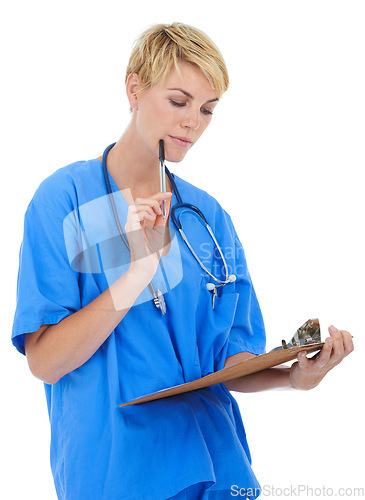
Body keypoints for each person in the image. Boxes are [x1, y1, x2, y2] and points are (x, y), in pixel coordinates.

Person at [12, 22, 353, 500]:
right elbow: (45, 362)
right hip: (117, 474)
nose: (194, 121)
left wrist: (295, 377)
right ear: (133, 87)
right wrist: (137, 273)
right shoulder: (64, 202)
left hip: (217, 465)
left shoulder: (208, 218)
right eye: (179, 101)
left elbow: (231, 361)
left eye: (208, 109)